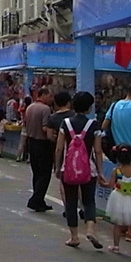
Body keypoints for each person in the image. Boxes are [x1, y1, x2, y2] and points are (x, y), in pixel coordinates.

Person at [54, 91, 105, 250]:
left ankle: (74, 237)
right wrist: (100, 171)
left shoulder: (65, 123)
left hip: (68, 168)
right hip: (89, 168)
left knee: (70, 201)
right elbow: (98, 151)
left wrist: (57, 167)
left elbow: (59, 148)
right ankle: (90, 229)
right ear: (89, 108)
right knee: (89, 201)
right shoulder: (94, 125)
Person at [45, 91, 76, 220]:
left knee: (64, 182)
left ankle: (67, 208)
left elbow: (49, 136)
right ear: (69, 102)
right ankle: (82, 207)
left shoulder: (52, 118)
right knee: (79, 180)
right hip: (78, 152)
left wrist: (58, 140)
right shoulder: (75, 116)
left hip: (63, 152)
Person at [26, 87, 54, 212]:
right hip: (42, 143)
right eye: (50, 96)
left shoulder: (30, 107)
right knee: (44, 174)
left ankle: (39, 200)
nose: (51, 99)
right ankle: (35, 199)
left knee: (36, 172)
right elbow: (45, 128)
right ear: (44, 95)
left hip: (31, 141)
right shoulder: (45, 109)